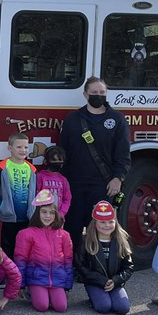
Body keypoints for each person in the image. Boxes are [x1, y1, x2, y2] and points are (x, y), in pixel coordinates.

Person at [58, 76, 131, 246]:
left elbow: (123, 154)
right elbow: (64, 152)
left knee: (102, 229)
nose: (98, 95)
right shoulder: (73, 120)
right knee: (72, 229)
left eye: (102, 92)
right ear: (85, 94)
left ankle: (98, 268)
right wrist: (62, 183)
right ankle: (73, 267)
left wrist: (117, 178)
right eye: (94, 92)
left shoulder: (117, 120)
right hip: (75, 184)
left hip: (103, 185)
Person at [14, 189, 73, 313]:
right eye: (44, 212)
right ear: (37, 213)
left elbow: (68, 261)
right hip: (37, 278)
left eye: (52, 213)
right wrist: (21, 284)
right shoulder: (26, 234)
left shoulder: (64, 235)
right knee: (42, 306)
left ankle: (50, 295)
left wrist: (67, 285)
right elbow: (20, 260)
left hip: (57, 279)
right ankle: (32, 291)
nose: (48, 216)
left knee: (61, 307)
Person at [75, 201, 134, 315]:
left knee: (123, 308)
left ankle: (107, 295)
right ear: (95, 223)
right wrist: (101, 281)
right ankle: (93, 298)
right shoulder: (86, 240)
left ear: (116, 222)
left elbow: (128, 267)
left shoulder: (121, 240)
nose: (107, 225)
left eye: (110, 222)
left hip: (114, 282)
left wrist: (116, 280)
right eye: (102, 222)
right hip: (94, 282)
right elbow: (80, 265)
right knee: (104, 307)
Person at [0, 133, 36, 255]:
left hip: (26, 217)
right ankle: (6, 272)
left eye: (26, 147)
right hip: (8, 217)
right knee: (6, 247)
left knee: (23, 247)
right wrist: (2, 206)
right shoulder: (2, 167)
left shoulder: (31, 169)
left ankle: (21, 272)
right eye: (19, 147)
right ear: (10, 148)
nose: (23, 150)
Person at [34, 145, 71, 219]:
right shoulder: (39, 176)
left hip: (58, 217)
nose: (57, 163)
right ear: (46, 161)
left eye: (60, 160)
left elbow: (67, 199)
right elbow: (35, 196)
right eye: (54, 160)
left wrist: (61, 213)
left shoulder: (63, 180)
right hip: (41, 217)